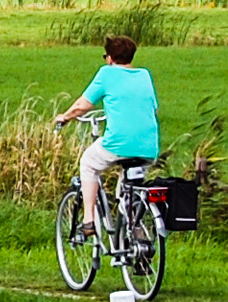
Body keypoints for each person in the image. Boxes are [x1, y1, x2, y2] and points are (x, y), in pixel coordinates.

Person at [54, 34, 159, 235]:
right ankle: (136, 238)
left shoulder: (106, 74)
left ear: (110, 58)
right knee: (127, 194)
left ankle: (88, 221)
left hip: (119, 143)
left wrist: (64, 118)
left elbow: (82, 106)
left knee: (88, 163)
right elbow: (153, 109)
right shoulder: (144, 75)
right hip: (148, 147)